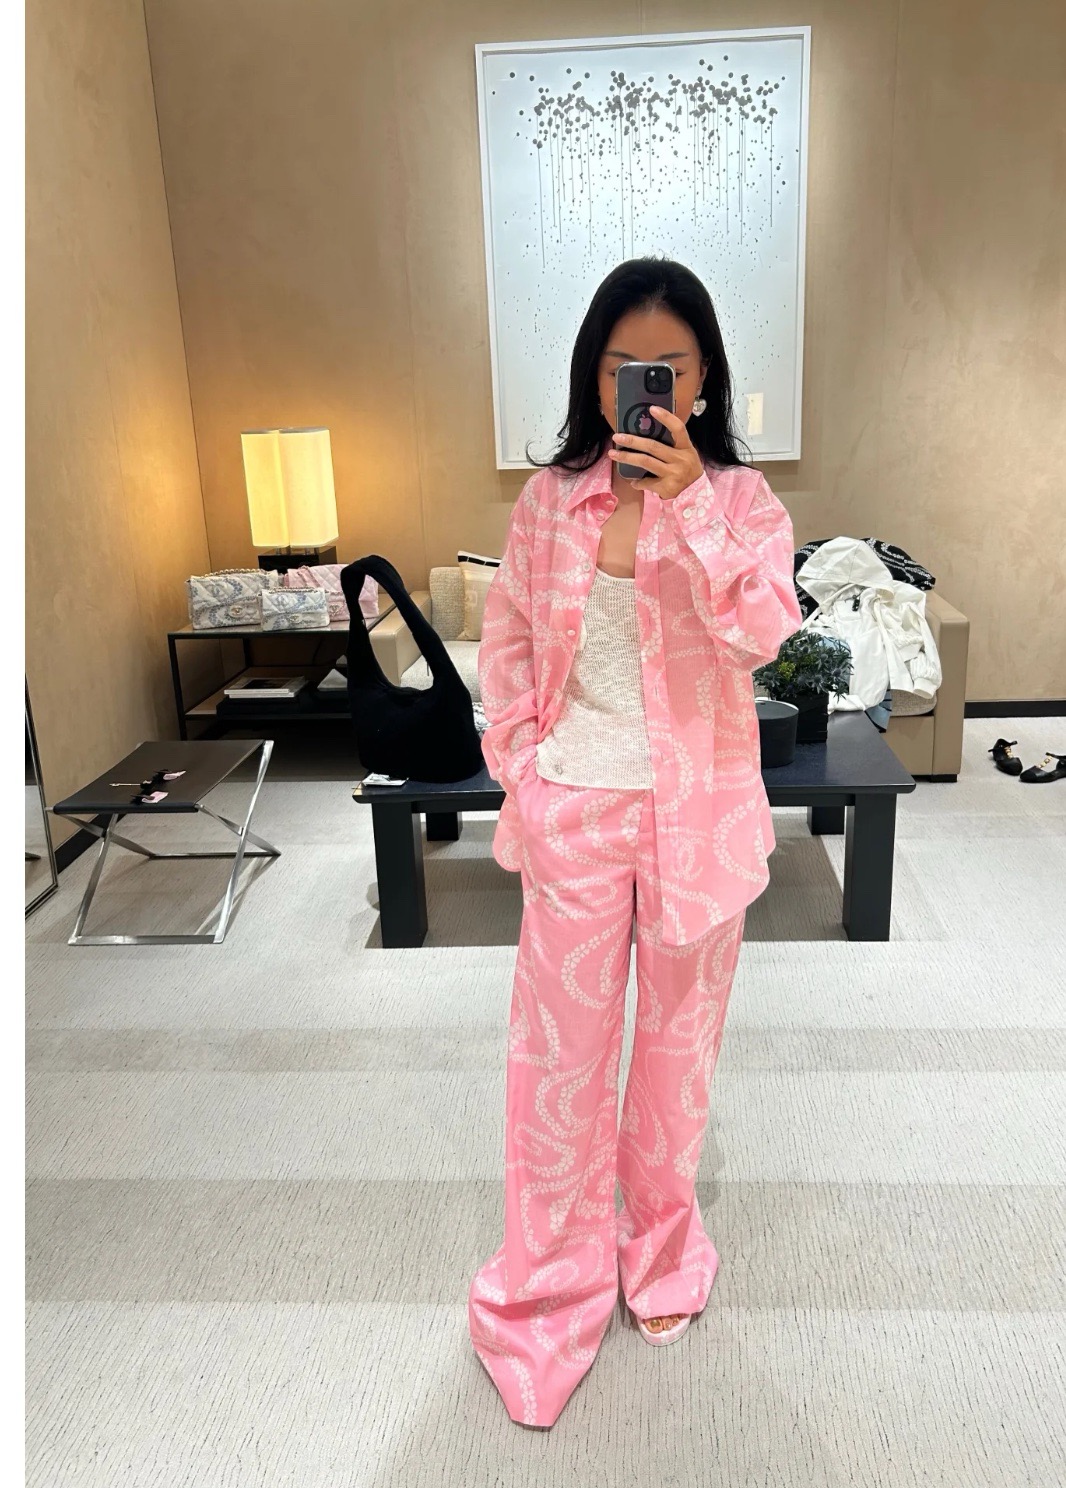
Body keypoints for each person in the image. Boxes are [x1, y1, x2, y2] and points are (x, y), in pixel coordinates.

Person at [467, 257, 803, 1429]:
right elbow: (508, 639)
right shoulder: (548, 500)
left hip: (695, 822)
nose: (647, 384)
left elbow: (763, 635)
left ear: (703, 378)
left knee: (673, 1063)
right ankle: (547, 1290)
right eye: (624, 365)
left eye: (669, 365)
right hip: (573, 808)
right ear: (595, 374)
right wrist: (522, 766)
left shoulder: (744, 504)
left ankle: (658, 1255)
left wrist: (693, 502)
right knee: (556, 1069)